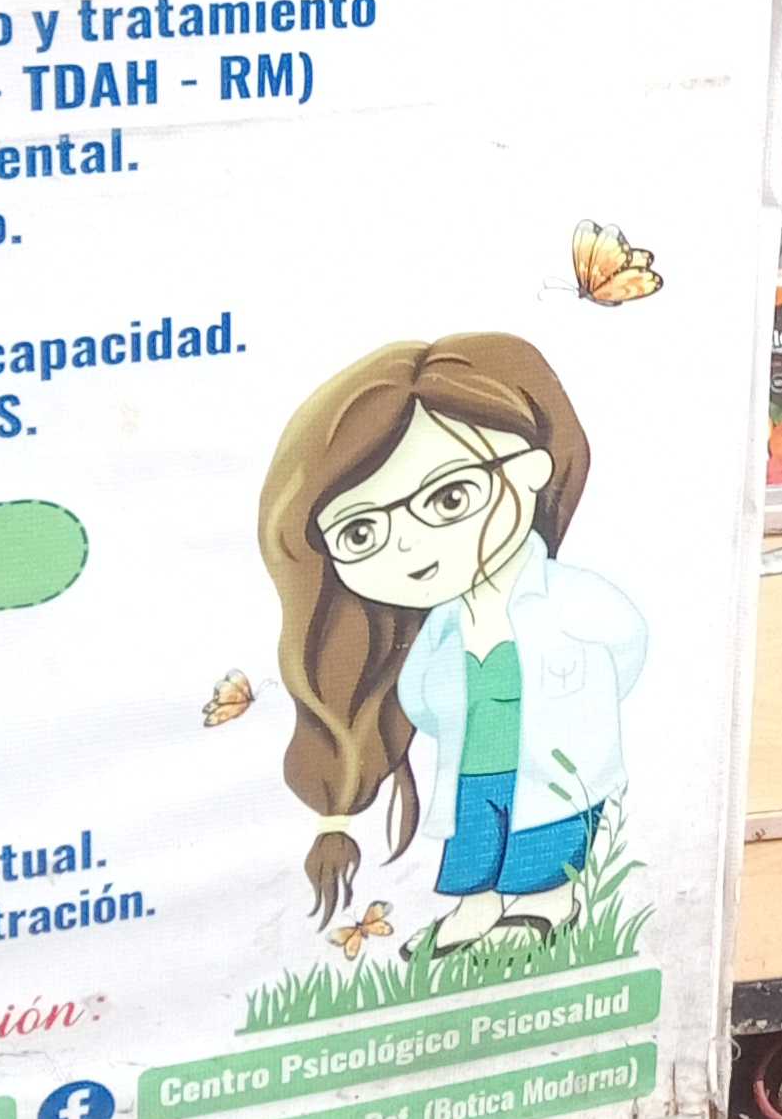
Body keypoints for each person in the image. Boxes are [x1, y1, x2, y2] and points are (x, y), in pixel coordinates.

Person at [260, 334, 647, 951]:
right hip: (474, 766)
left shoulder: (568, 599)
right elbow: (420, 699)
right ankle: (476, 909)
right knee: (476, 840)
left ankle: (546, 903)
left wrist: (577, 707)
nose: (408, 544)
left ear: (531, 470)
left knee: (544, 838)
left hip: (556, 766)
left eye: (449, 498)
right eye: (360, 532)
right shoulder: (440, 629)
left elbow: (625, 644)